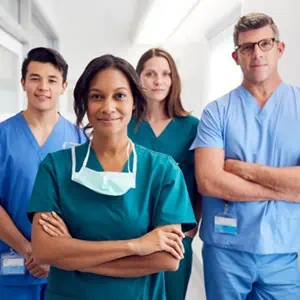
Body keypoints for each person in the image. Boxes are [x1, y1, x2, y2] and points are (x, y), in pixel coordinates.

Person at [27, 54, 196, 300]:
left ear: (135, 103)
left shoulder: (162, 171)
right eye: (97, 96)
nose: (108, 107)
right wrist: (135, 246)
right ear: (85, 102)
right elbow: (44, 251)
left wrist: (73, 256)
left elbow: (167, 259)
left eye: (119, 96)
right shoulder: (55, 167)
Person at [191, 12, 300, 300]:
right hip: (226, 251)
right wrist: (286, 190)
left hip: (283, 252)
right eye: (247, 47)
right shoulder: (217, 112)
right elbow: (210, 182)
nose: (257, 54)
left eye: (265, 44)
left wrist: (243, 170)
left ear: (280, 48)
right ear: (236, 56)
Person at [0, 47, 86, 300]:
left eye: (52, 80)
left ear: (63, 86)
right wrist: (28, 249)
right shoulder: (3, 136)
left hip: (64, 268)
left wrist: (53, 254)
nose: (43, 87)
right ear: (23, 83)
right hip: (12, 264)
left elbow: (85, 208)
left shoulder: (80, 140)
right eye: (35, 78)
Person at [127, 48, 201, 300]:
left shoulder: (191, 127)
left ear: (173, 79)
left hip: (176, 237)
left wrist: (192, 229)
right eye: (150, 73)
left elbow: (200, 182)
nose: (158, 81)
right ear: (138, 78)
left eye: (165, 74)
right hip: (132, 235)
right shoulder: (125, 125)